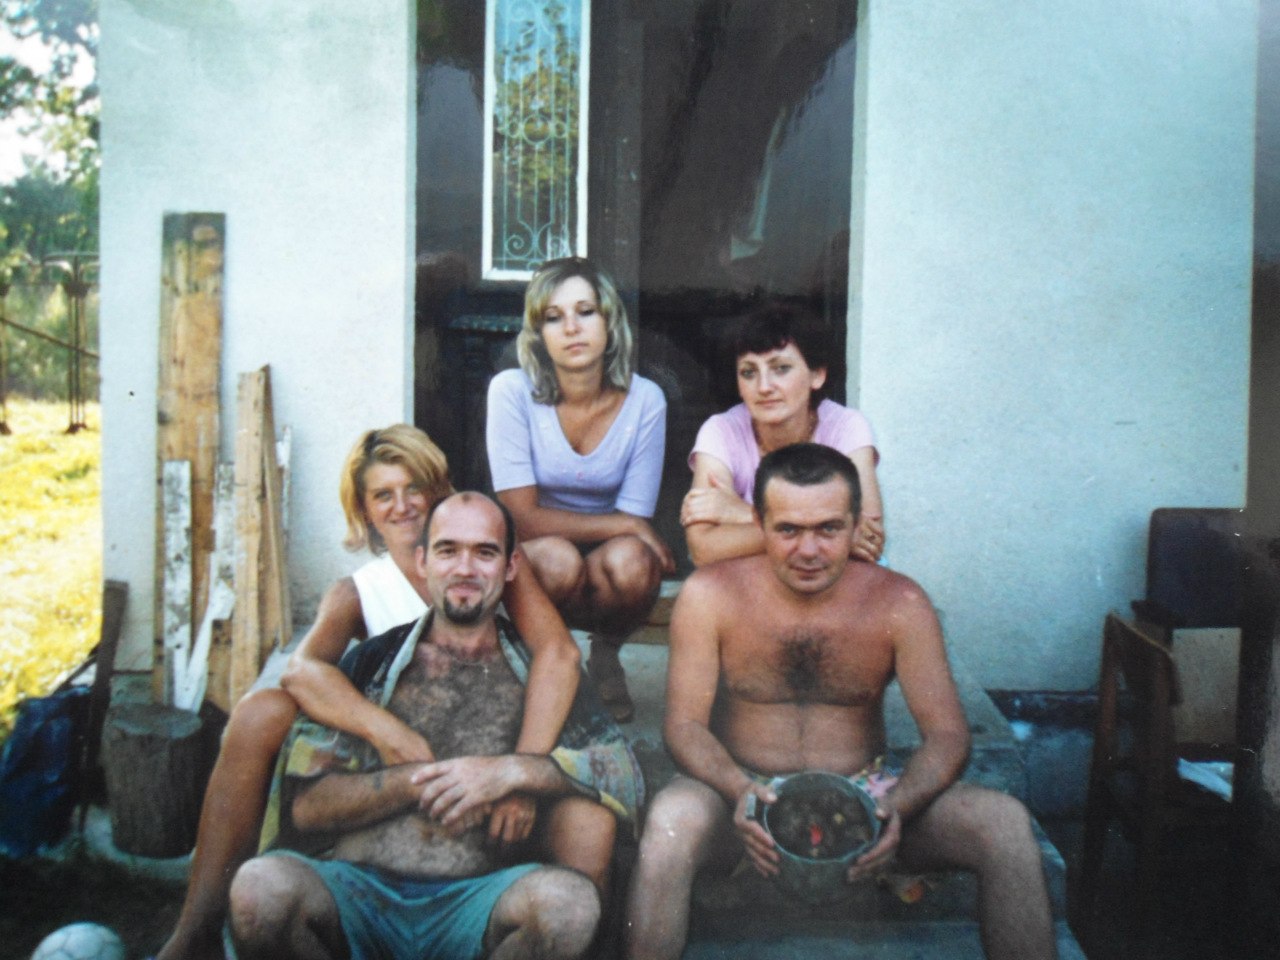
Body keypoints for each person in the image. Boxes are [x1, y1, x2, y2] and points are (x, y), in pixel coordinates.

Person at [155, 426, 592, 960]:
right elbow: (302, 670)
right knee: (259, 713)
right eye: (383, 494)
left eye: (414, 488)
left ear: (439, 490)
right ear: (363, 510)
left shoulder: (478, 560)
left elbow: (559, 653)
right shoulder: (359, 590)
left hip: (483, 744)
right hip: (402, 755)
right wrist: (386, 732)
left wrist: (520, 770)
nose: (402, 506)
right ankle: (194, 931)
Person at [627, 444, 1057, 960]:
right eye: (788, 529)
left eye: (829, 529)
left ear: (857, 526)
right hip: (740, 794)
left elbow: (947, 736)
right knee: (671, 821)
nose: (808, 550)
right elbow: (684, 726)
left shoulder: (900, 602)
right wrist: (738, 789)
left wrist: (894, 808)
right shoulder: (710, 595)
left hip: (866, 796)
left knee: (1003, 824)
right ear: (759, 525)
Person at [487, 257, 675, 723]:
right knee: (558, 558)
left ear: (609, 322)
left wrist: (629, 529)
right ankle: (548, 659)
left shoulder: (645, 400)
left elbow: (634, 515)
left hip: (607, 555)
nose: (572, 328)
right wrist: (627, 525)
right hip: (539, 553)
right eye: (554, 317)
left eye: (586, 312)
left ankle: (606, 654)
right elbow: (521, 518)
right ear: (538, 334)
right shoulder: (511, 391)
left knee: (634, 562)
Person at [681, 300, 885, 567]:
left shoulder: (846, 427)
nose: (764, 387)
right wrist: (828, 533)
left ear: (817, 375)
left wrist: (740, 513)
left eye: (781, 368)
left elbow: (868, 538)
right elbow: (703, 549)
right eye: (749, 372)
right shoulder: (721, 431)